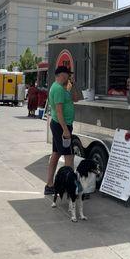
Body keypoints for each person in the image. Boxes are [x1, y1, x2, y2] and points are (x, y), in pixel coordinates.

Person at [45, 66, 81, 195]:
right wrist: (65, 130)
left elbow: (75, 99)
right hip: (61, 126)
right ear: (62, 75)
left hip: (59, 125)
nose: (69, 77)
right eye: (67, 75)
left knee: (55, 154)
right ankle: (70, 187)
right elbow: (59, 112)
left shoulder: (63, 87)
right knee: (69, 156)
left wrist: (73, 84)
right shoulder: (58, 89)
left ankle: (50, 185)